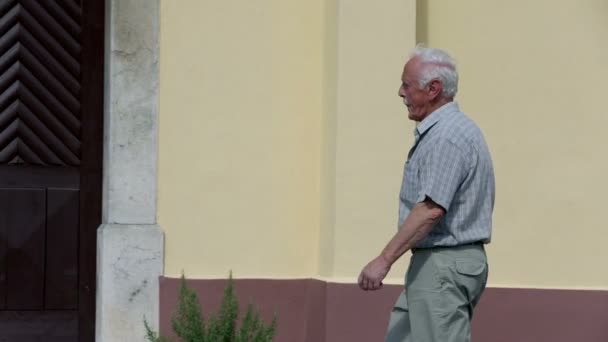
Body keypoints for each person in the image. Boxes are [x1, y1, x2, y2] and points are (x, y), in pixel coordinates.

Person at [358, 46, 495, 342]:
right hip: (435, 266)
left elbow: (431, 209)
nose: (400, 92)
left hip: (443, 266)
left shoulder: (447, 136)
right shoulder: (448, 131)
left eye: (407, 84)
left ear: (433, 89)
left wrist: (384, 260)